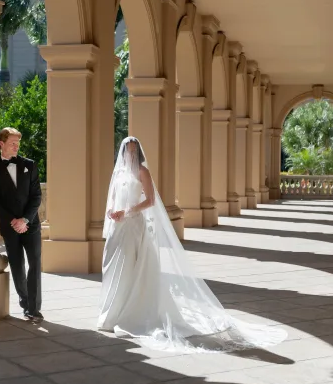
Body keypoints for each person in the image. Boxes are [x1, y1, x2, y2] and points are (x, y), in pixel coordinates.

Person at [98, 136, 286, 353]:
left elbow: (150, 201)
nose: (129, 155)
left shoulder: (142, 172)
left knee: (133, 270)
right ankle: (111, 313)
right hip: (118, 227)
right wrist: (112, 211)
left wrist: (128, 212)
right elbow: (112, 199)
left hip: (134, 226)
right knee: (114, 269)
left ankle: (130, 313)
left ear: (137, 153)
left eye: (133, 151)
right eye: (126, 151)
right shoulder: (119, 173)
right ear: (122, 153)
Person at [0, 127, 43, 322]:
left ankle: (34, 308)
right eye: (12, 143)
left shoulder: (30, 165)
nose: (16, 147)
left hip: (31, 224)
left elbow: (36, 196)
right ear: (1, 144)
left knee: (35, 263)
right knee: (17, 265)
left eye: (18, 143)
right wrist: (13, 221)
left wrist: (25, 219)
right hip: (10, 226)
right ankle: (25, 303)